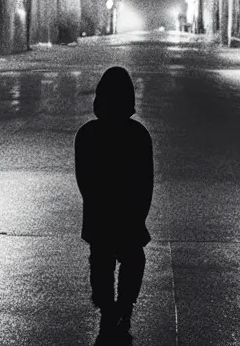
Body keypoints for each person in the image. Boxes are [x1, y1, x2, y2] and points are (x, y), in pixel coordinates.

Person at [74, 66, 154, 344]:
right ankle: (124, 307)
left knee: (101, 259)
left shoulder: (87, 134)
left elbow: (83, 179)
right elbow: (146, 181)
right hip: (130, 213)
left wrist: (96, 206)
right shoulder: (138, 135)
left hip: (99, 213)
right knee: (133, 258)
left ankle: (107, 308)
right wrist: (138, 214)